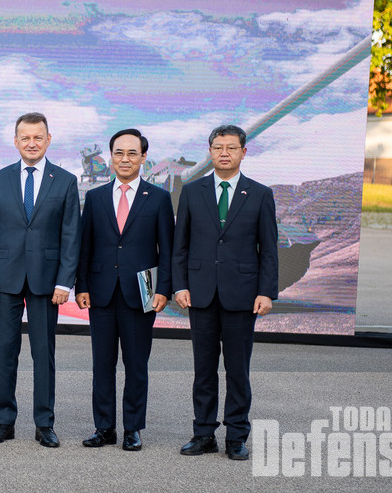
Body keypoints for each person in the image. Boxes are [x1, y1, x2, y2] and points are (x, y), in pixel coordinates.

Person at [172, 124, 278, 461]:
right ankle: (203, 433)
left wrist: (266, 292)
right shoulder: (192, 191)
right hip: (201, 295)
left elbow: (269, 249)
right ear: (210, 151)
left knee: (237, 370)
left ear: (243, 152)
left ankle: (236, 436)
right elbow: (180, 246)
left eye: (231, 148)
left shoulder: (260, 194)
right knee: (203, 369)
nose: (224, 153)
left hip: (242, 296)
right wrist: (180, 284)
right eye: (218, 147)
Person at [0, 112, 80, 448]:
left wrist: (65, 282)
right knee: (4, 353)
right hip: (4, 281)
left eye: (38, 137)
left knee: (43, 354)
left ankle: (44, 423)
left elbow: (70, 236)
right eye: (25, 137)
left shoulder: (65, 181)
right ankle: (3, 421)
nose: (32, 143)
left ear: (48, 139)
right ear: (16, 140)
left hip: (47, 283)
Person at [75, 129, 173, 451]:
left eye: (132, 153)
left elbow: (167, 250)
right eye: (119, 153)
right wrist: (82, 285)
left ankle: (133, 428)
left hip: (142, 292)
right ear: (111, 156)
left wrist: (163, 290)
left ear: (143, 157)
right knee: (102, 365)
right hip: (101, 292)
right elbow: (85, 246)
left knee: (136, 365)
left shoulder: (158, 198)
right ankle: (104, 428)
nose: (125, 159)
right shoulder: (95, 197)